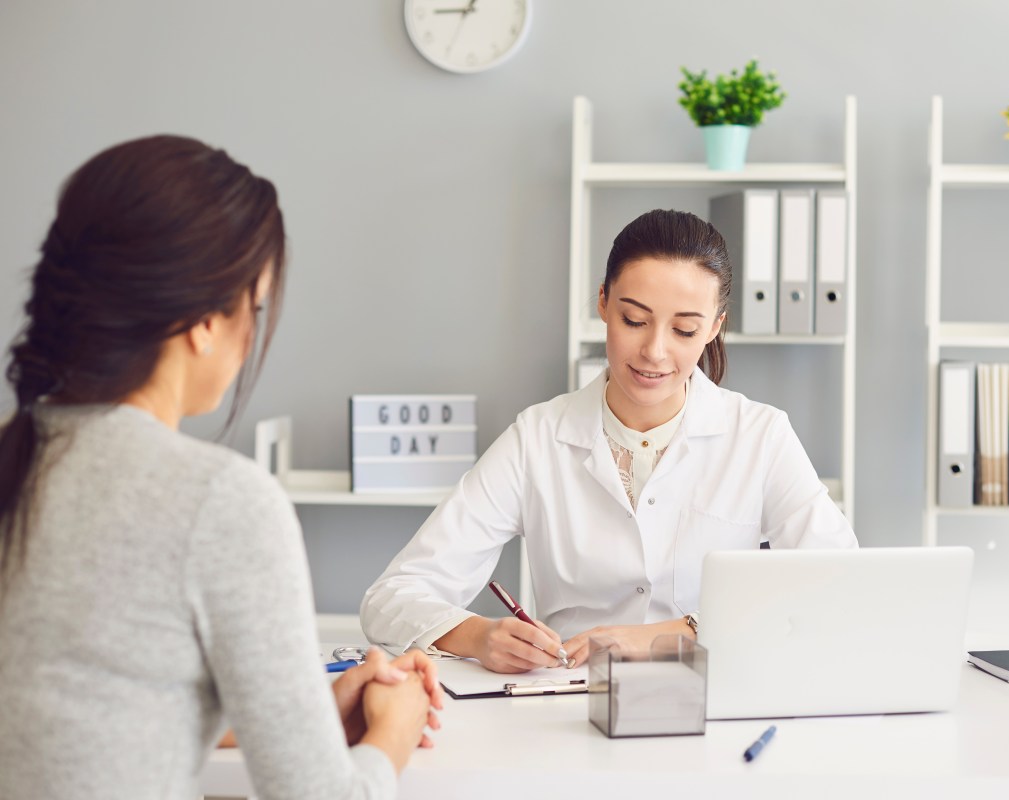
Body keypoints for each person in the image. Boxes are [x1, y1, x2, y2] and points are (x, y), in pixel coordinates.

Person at [0, 135, 443, 800]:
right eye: (253, 307)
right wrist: (394, 733)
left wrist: (308, 710)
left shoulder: (18, 459)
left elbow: (82, 722)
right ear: (205, 321)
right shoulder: (217, 501)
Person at [361, 208, 856, 673]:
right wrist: (477, 635)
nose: (655, 351)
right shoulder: (537, 439)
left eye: (684, 330)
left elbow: (839, 581)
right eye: (634, 321)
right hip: (570, 704)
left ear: (714, 328)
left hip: (716, 701)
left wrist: (675, 633)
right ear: (603, 302)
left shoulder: (760, 436)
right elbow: (392, 597)